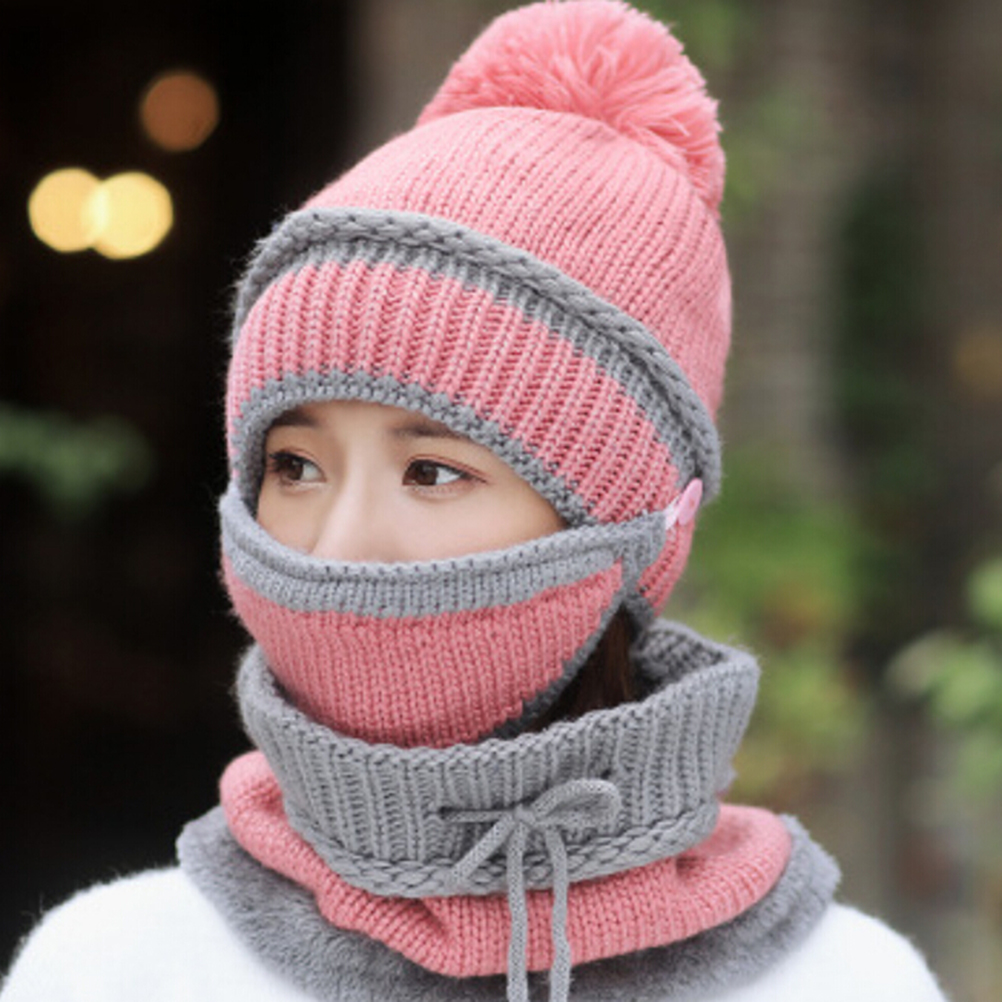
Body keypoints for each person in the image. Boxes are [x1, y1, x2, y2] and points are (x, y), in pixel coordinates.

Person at [2, 2, 949, 1000]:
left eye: (433, 472)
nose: (338, 546)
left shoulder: (840, 982)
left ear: (641, 527)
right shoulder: (116, 968)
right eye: (295, 467)